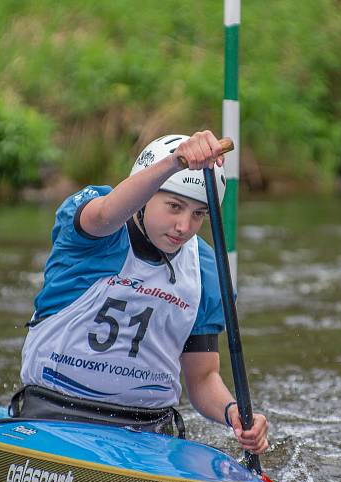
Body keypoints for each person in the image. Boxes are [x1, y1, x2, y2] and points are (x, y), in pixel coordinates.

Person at [17, 130, 269, 455]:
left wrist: (233, 413)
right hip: (54, 413)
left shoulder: (208, 269)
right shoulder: (96, 233)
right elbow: (107, 213)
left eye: (198, 214)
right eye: (174, 206)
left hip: (149, 430)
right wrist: (174, 163)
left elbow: (203, 378)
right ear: (147, 194)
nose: (184, 226)